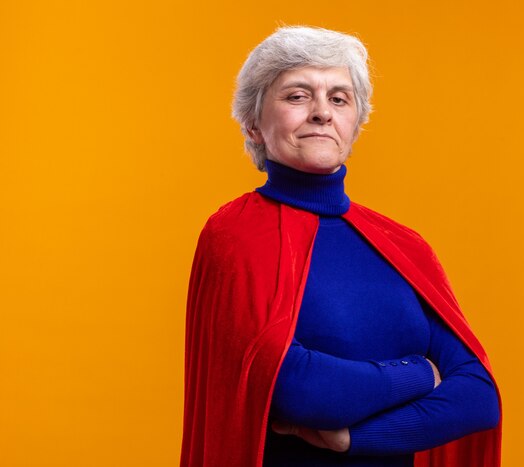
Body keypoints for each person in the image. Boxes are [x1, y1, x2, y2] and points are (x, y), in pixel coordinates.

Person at [180, 26, 502, 467]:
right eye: (297, 96)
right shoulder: (233, 233)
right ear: (254, 125)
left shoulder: (403, 246)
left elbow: (479, 397)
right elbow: (295, 389)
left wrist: (351, 439)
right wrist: (422, 373)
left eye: (338, 98)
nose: (321, 113)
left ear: (355, 122)